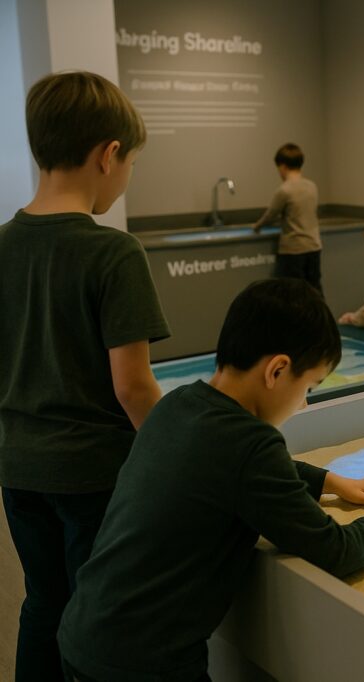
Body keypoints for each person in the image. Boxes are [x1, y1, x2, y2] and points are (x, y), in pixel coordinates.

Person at [58, 278, 364, 681]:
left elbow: (230, 468)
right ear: (278, 370)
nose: (303, 403)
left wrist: (330, 481)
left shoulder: (177, 404)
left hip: (84, 628)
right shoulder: (252, 445)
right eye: (309, 387)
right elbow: (333, 549)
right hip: (144, 661)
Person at [0, 71, 169, 681]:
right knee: (97, 613)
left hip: (17, 467)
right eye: (130, 166)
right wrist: (174, 453)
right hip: (93, 475)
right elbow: (133, 386)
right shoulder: (113, 253)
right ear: (110, 154)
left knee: (43, 601)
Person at [253, 143, 323, 292]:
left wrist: (256, 226)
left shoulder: (284, 190)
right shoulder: (312, 186)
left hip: (294, 250)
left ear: (282, 167)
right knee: (314, 289)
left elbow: (270, 215)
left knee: (292, 292)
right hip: (314, 246)